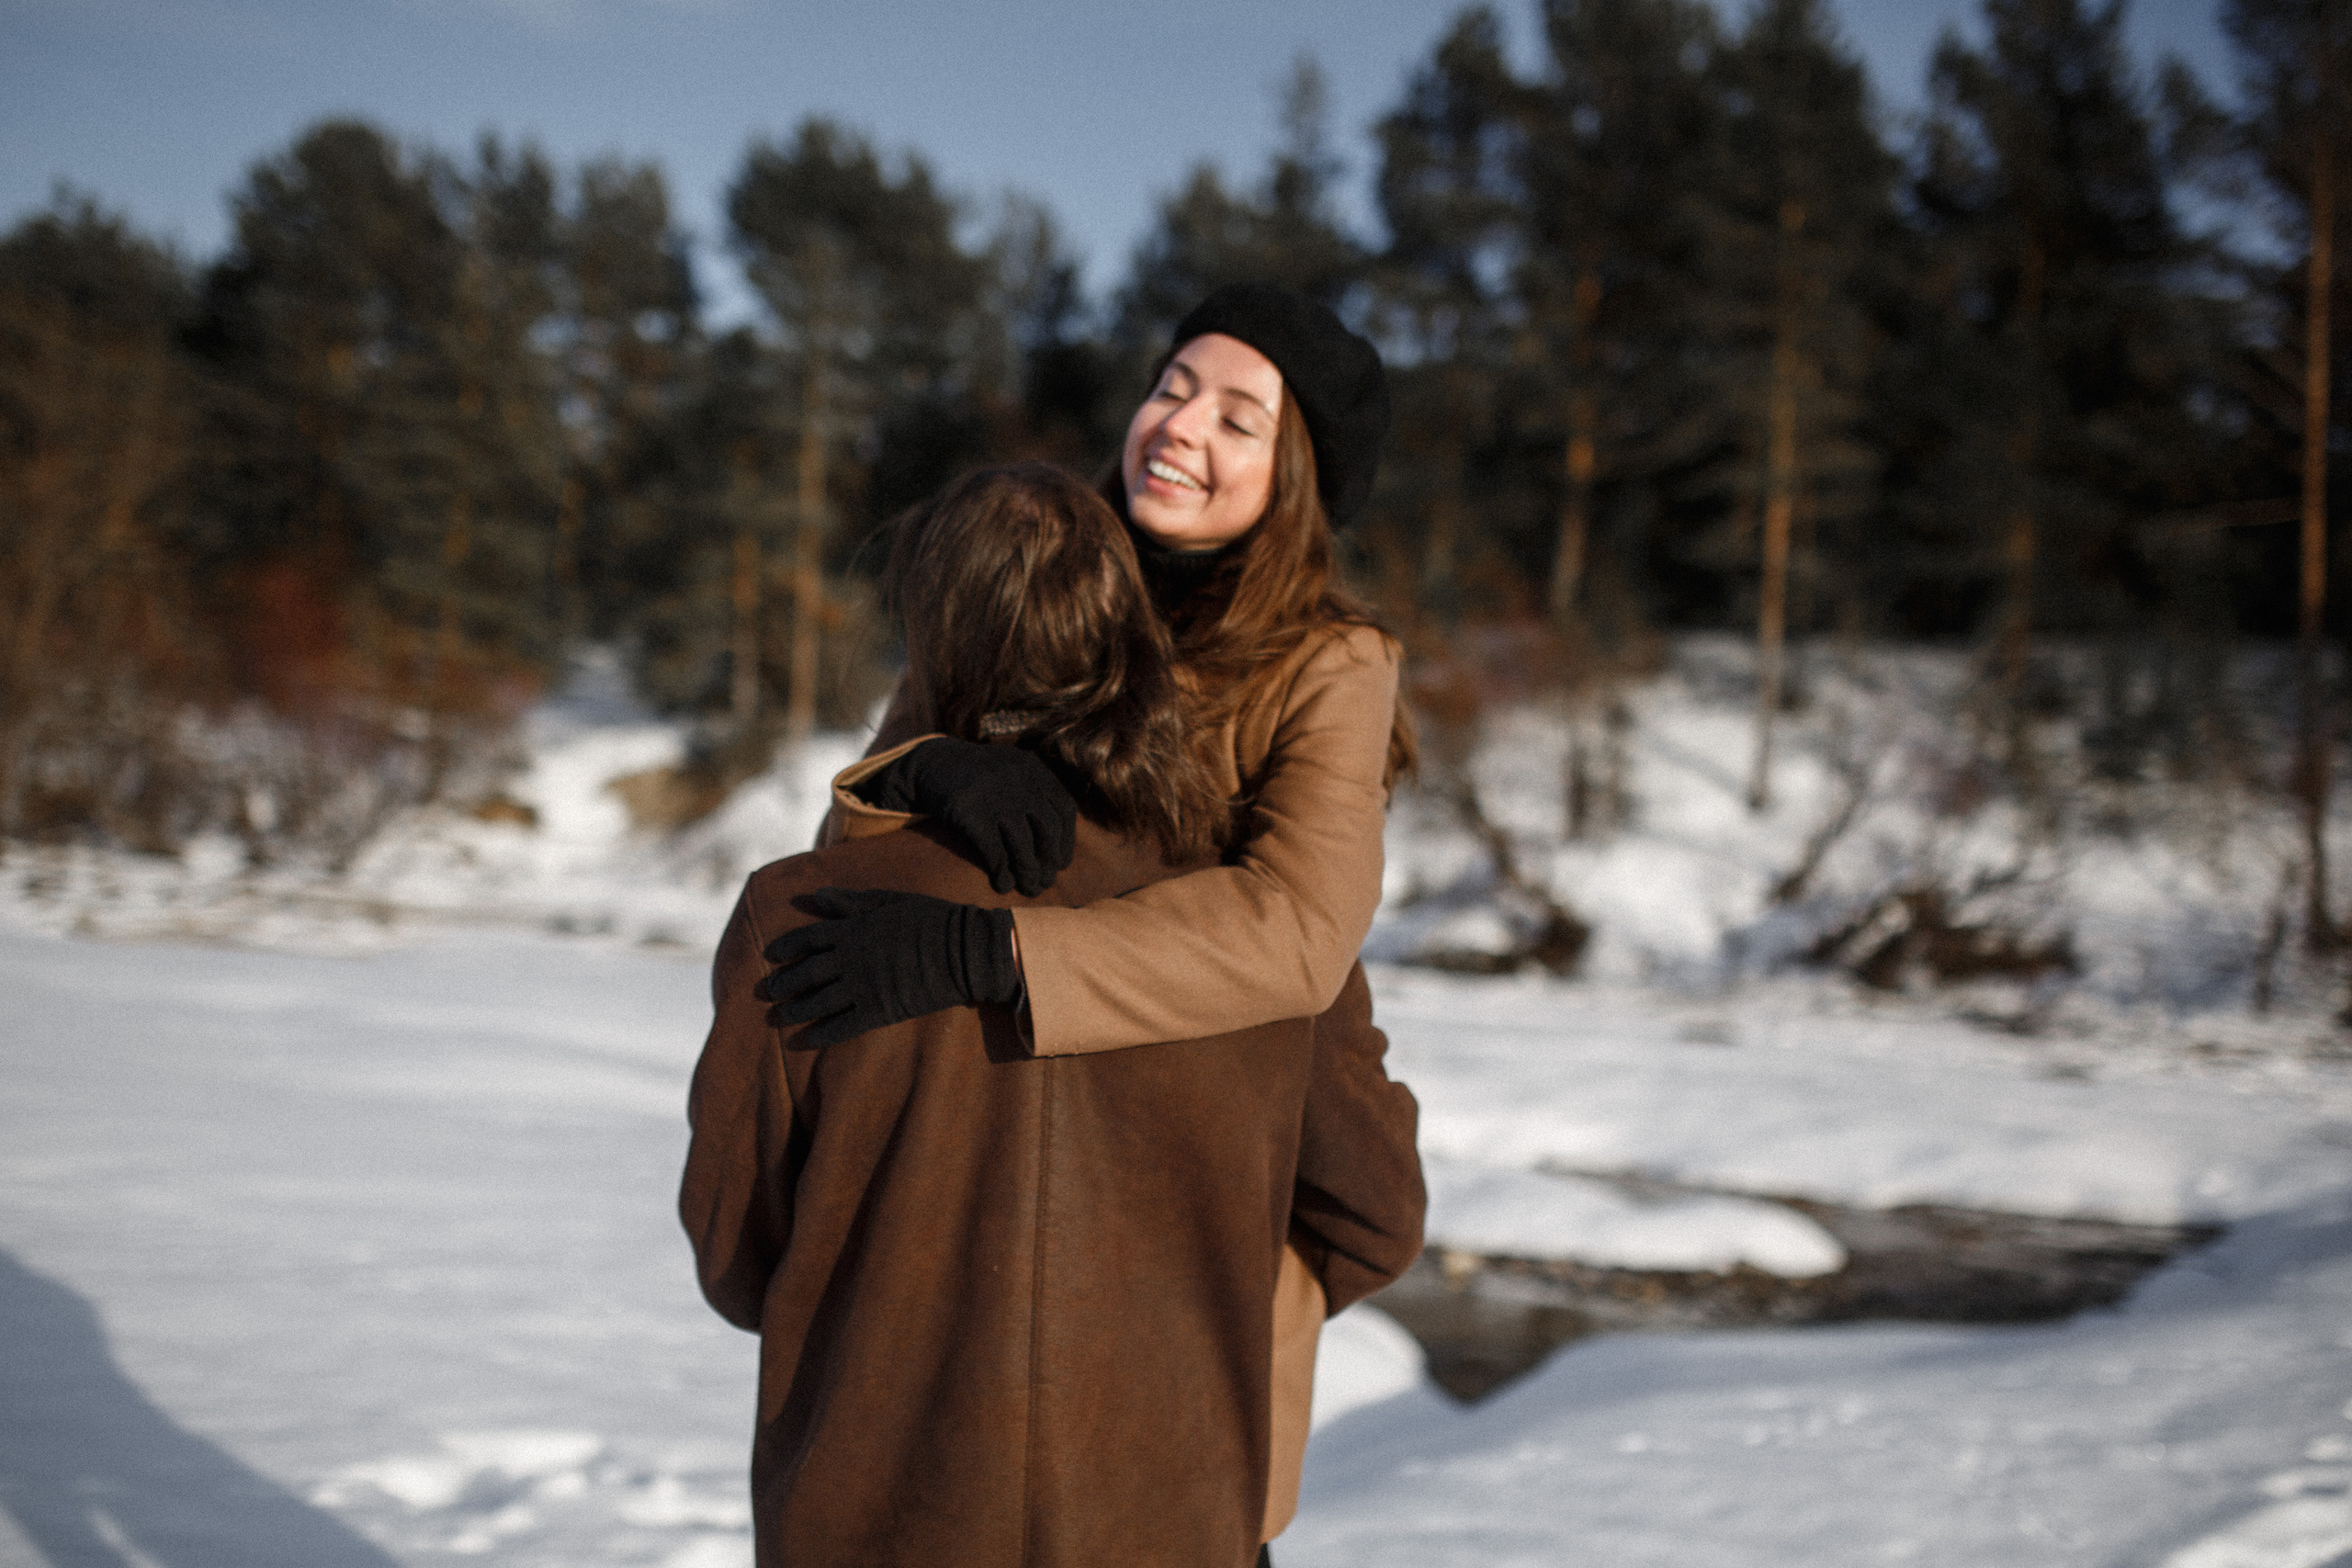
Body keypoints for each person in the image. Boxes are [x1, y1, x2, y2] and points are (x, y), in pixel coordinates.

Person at [679, 464, 1424, 1568]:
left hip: (877, 1523)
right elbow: (1377, 1219)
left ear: (931, 640)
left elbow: (740, 1258)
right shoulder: (1253, 941)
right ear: (1130, 634)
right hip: (1171, 1524)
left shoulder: (799, 911)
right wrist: (1192, 1317)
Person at [766, 281, 1409, 1062]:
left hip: (1197, 1100)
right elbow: (840, 849)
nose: (1178, 425)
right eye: (1170, 391)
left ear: (1295, 481)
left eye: (1237, 420)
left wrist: (994, 953)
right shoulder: (1032, 572)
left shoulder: (1332, 661)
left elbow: (1302, 930)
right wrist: (922, 771)